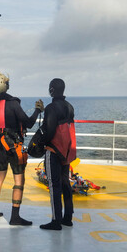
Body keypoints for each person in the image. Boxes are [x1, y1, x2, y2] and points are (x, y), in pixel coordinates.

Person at [0, 72, 44, 225]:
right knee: (18, 180)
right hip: (15, 148)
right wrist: (37, 110)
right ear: (6, 86)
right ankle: (15, 217)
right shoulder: (13, 104)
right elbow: (29, 123)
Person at [39, 78, 77, 231]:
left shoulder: (51, 108)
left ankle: (56, 221)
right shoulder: (70, 107)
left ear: (52, 90)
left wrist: (41, 144)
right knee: (65, 183)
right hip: (66, 151)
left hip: (53, 150)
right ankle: (67, 218)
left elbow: (48, 131)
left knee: (54, 185)